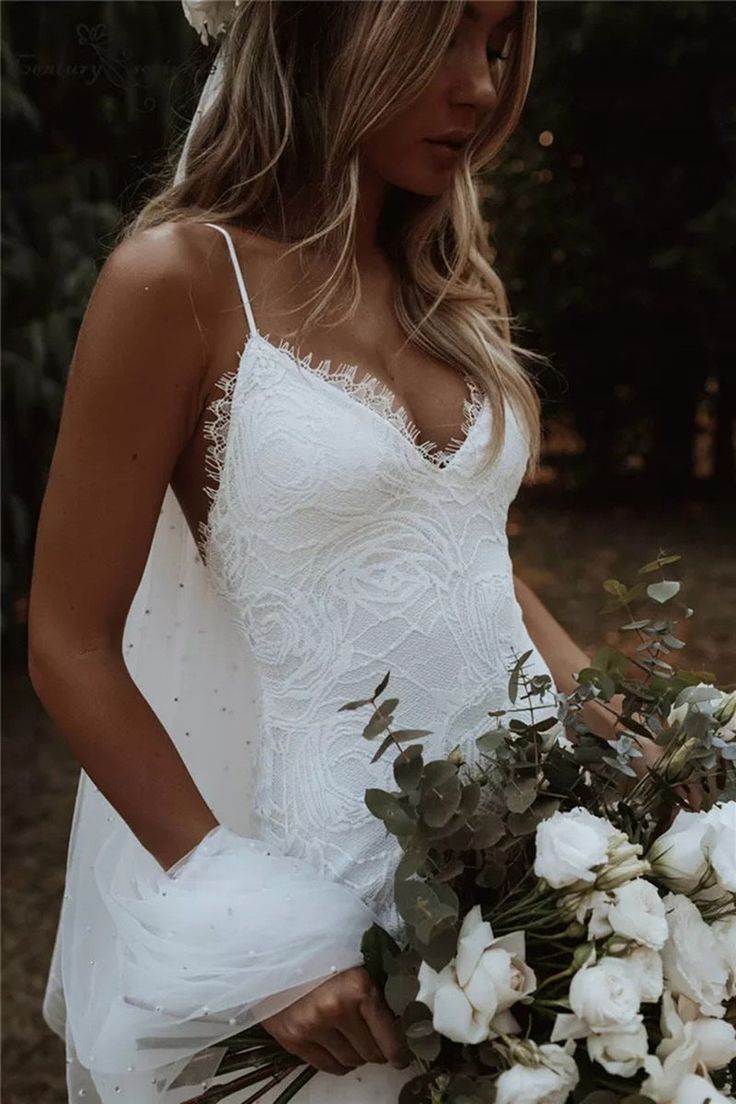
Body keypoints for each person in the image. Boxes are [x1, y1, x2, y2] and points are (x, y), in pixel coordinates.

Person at [28, 2, 647, 1101]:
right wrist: (254, 929)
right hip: (325, 919)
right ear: (318, 31)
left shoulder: (446, 289)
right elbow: (69, 642)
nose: (482, 86)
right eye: (444, 38)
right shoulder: (177, 279)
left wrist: (637, 752)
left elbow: (474, 571)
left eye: (498, 45)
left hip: (522, 889)